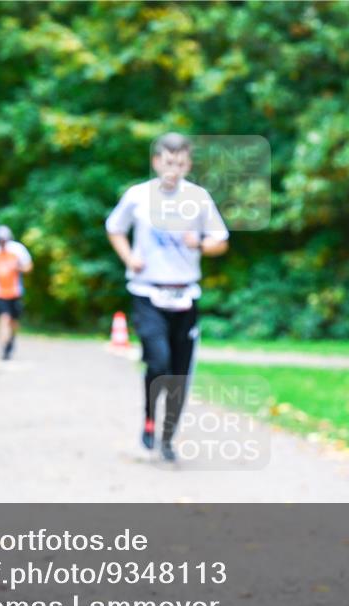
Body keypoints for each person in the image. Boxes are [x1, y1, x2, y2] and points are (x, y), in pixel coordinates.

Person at [106, 132, 229, 462]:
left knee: (179, 373)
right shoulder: (137, 197)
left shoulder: (199, 198)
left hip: (185, 295)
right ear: (156, 162)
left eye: (180, 163)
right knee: (158, 362)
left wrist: (200, 244)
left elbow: (221, 240)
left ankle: (168, 435)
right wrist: (129, 257)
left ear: (188, 163)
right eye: (167, 162)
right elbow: (114, 227)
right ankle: (149, 418)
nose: (173, 169)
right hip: (147, 292)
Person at [0, 225, 32, 360]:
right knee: (4, 318)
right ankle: (4, 347)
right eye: (0, 240)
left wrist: (18, 267)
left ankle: (10, 340)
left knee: (14, 321)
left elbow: (28, 267)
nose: (2, 243)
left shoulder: (17, 249)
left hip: (15, 291)